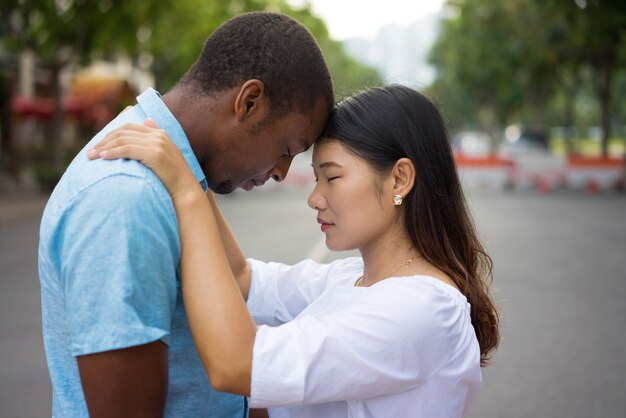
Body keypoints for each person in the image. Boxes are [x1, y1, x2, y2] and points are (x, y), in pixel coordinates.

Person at [91, 84, 500, 417]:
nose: (315, 198)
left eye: (332, 178)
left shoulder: (421, 310)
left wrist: (185, 192)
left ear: (400, 179)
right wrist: (189, 163)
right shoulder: (352, 279)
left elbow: (236, 365)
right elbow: (242, 279)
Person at [38, 12, 332, 418]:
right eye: (288, 145)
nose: (282, 171)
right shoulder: (126, 199)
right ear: (248, 102)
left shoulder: (175, 177)